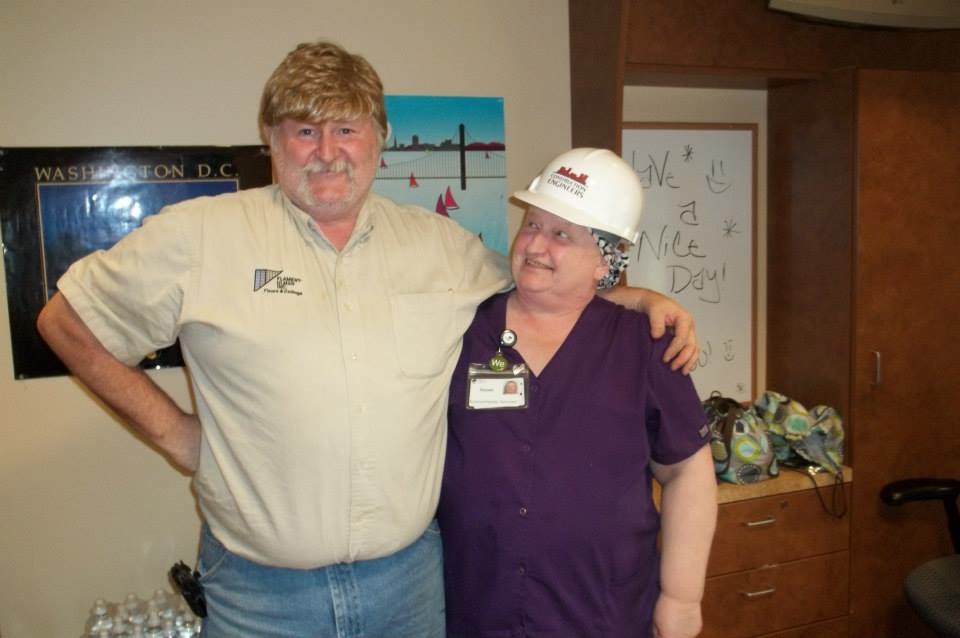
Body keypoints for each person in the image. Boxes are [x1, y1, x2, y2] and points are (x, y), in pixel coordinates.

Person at [36, 42, 699, 637]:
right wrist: (176, 434)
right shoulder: (199, 237)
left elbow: (544, 281)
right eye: (304, 130)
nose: (327, 151)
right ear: (271, 139)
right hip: (261, 597)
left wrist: (637, 299)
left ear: (380, 141)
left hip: (409, 586)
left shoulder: (441, 248)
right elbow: (65, 322)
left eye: (347, 129)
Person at [438, 148, 718, 638]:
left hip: (603, 612)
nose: (535, 245)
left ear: (606, 260)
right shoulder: (462, 328)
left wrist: (681, 596)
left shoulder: (645, 343)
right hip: (478, 609)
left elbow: (687, 473)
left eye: (562, 235)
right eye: (532, 225)